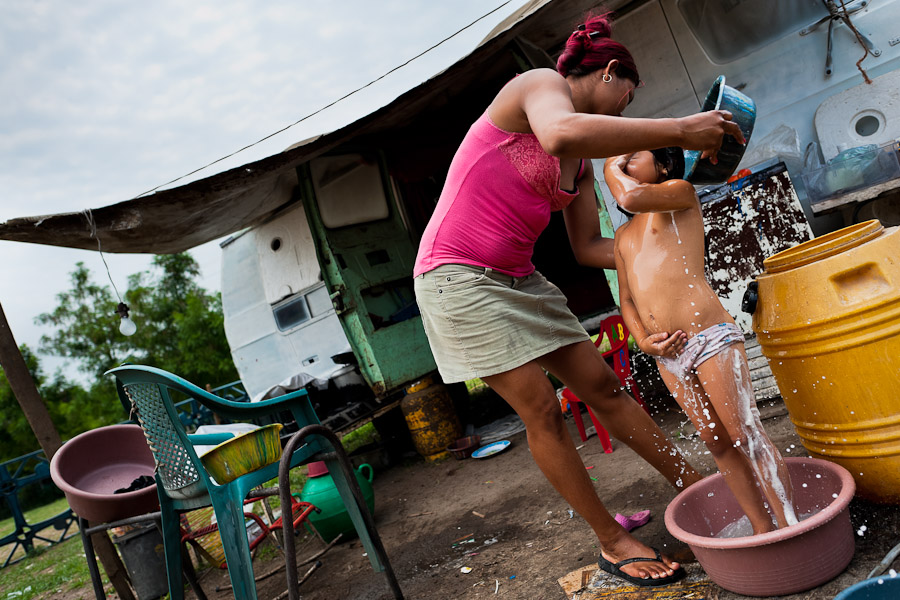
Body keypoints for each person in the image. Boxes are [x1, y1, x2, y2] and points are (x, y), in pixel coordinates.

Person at [413, 13, 744, 586]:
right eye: (627, 96)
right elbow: (561, 133)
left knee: (606, 388)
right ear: (610, 72)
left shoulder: (582, 168)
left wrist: (668, 244)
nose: (621, 110)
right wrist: (680, 129)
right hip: (457, 278)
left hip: (521, 278)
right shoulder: (538, 86)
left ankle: (701, 489)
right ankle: (612, 541)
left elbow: (593, 246)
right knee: (542, 407)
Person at [604, 148, 798, 535]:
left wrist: (608, 165)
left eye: (632, 155)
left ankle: (791, 525)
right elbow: (626, 299)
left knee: (744, 434)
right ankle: (763, 529)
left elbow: (629, 196)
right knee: (716, 442)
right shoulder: (623, 235)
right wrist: (643, 341)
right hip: (667, 354)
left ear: (664, 166)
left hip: (709, 336)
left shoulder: (679, 194)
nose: (622, 162)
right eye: (619, 160)